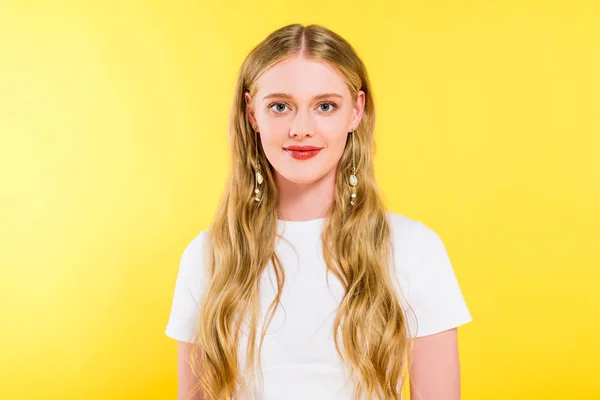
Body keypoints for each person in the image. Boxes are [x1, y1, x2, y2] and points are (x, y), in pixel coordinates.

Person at [165, 23, 472, 400]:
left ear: (356, 112)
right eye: (280, 106)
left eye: (325, 106)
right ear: (252, 113)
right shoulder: (208, 255)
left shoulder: (415, 249)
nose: (301, 129)